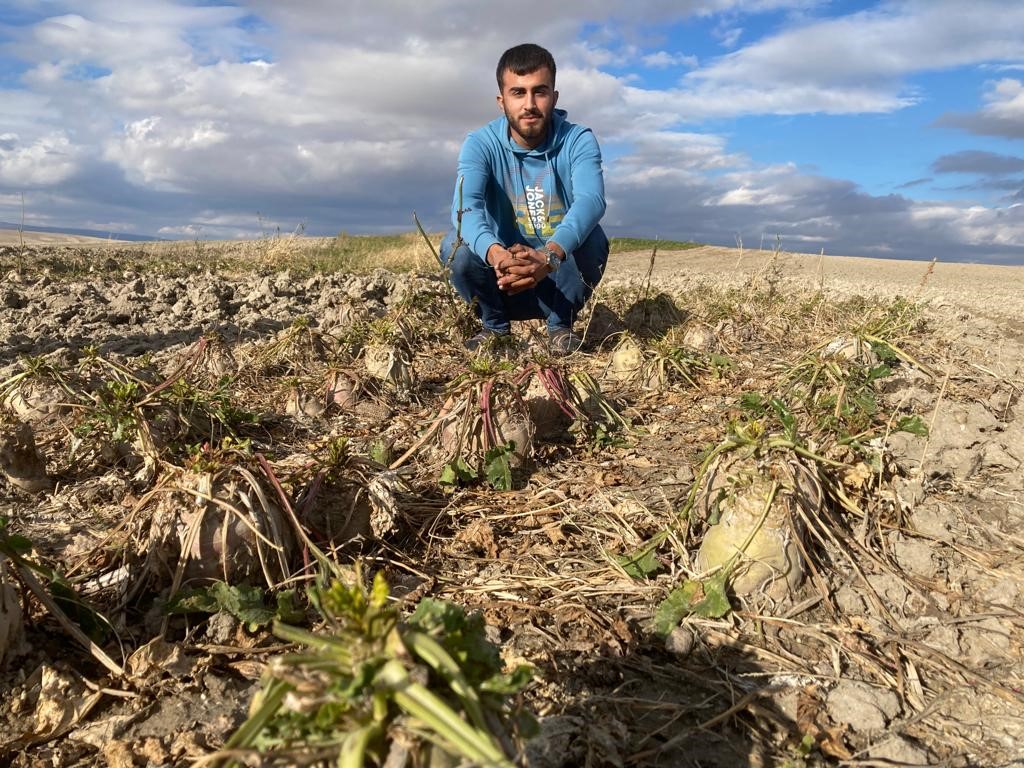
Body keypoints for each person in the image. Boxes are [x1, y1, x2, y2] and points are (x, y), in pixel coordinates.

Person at [441, 43, 609, 354]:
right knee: (455, 246)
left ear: (554, 98)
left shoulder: (578, 140)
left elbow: (592, 200)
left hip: (557, 280)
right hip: (502, 279)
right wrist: (497, 256)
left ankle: (561, 326)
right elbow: (465, 208)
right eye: (518, 92)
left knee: (594, 239)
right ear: (501, 100)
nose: (529, 104)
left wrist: (550, 256)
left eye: (539, 92)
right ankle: (494, 327)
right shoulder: (480, 144)